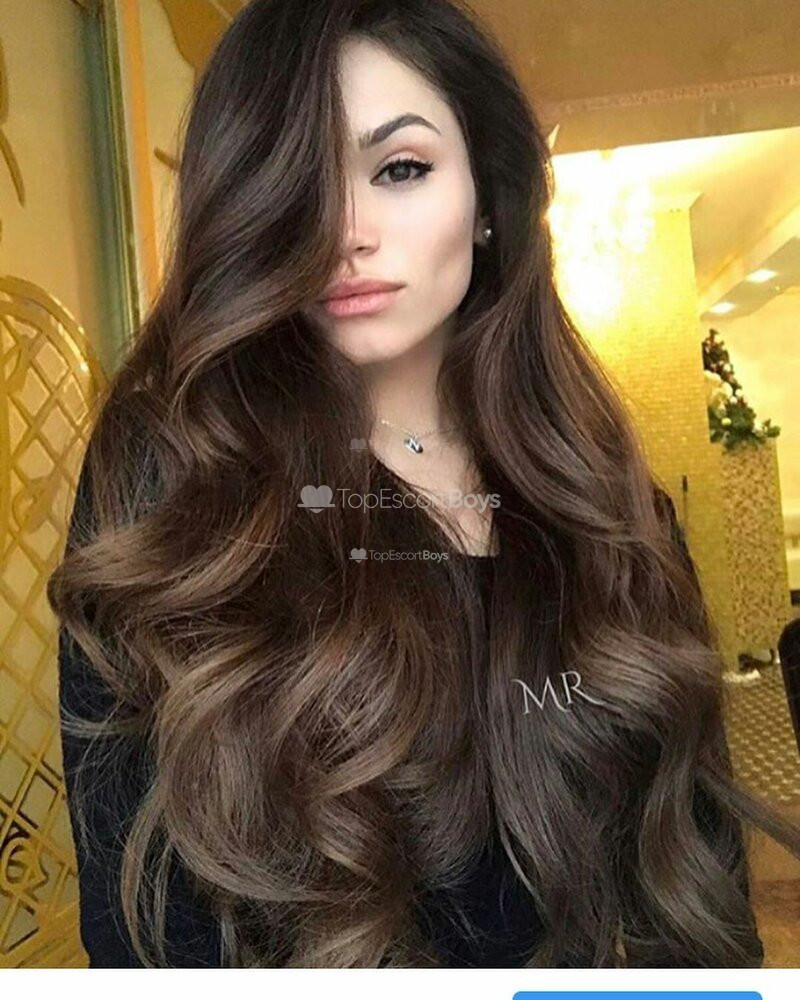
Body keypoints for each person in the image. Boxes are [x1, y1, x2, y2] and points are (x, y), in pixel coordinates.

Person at [47, 0, 800, 969]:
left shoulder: (610, 508)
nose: (345, 231)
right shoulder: (173, 497)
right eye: (297, 184)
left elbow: (699, 900)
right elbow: (139, 945)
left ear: (486, 196)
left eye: (399, 168)